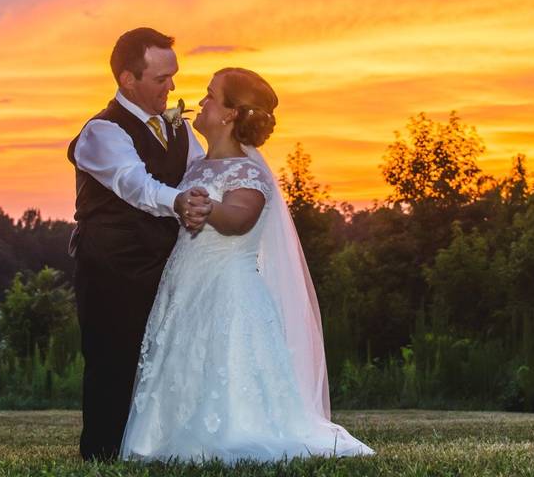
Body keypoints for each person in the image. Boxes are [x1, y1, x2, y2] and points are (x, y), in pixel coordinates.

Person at [120, 67, 374, 463]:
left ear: (229, 114)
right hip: (186, 286)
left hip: (229, 293)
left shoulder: (249, 171)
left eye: (210, 96)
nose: (200, 102)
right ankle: (167, 435)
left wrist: (208, 208)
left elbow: (239, 219)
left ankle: (230, 432)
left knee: (227, 364)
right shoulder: (197, 167)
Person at [68, 27, 212, 461]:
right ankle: (102, 454)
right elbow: (134, 184)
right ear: (128, 79)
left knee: (165, 359)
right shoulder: (101, 131)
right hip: (112, 266)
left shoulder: (178, 130)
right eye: (161, 79)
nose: (172, 87)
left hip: (166, 261)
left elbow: (199, 174)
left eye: (173, 77)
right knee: (113, 359)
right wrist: (180, 202)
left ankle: (156, 448)